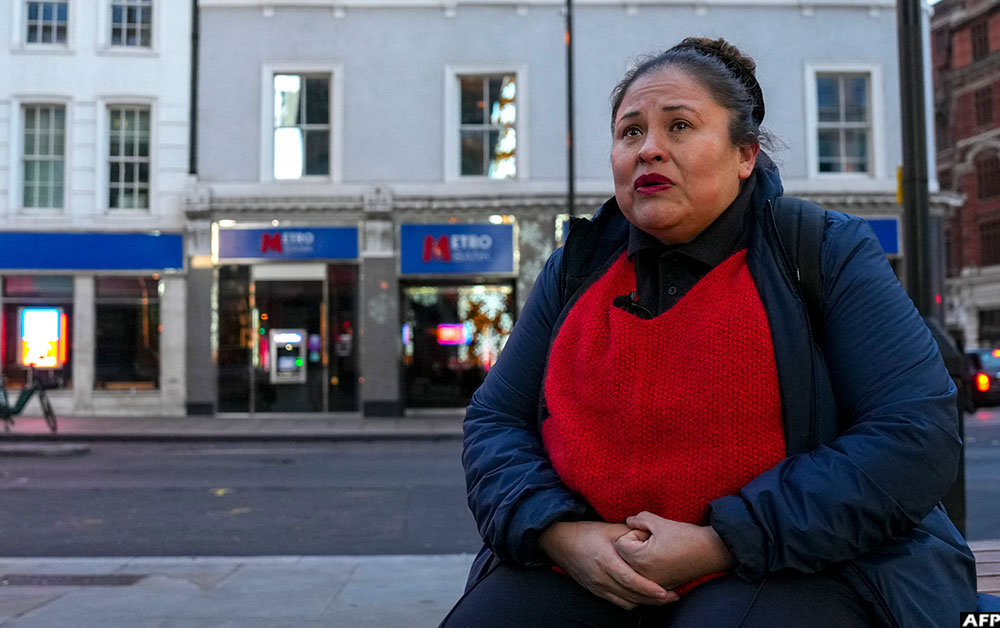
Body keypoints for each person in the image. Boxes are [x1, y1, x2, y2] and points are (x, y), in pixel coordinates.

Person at [439, 37, 978, 628]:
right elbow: (495, 422)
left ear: (744, 154)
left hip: (800, 564)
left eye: (679, 126)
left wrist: (724, 541)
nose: (649, 150)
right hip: (587, 566)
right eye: (630, 132)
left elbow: (913, 434)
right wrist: (560, 533)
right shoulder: (577, 266)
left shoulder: (823, 249)